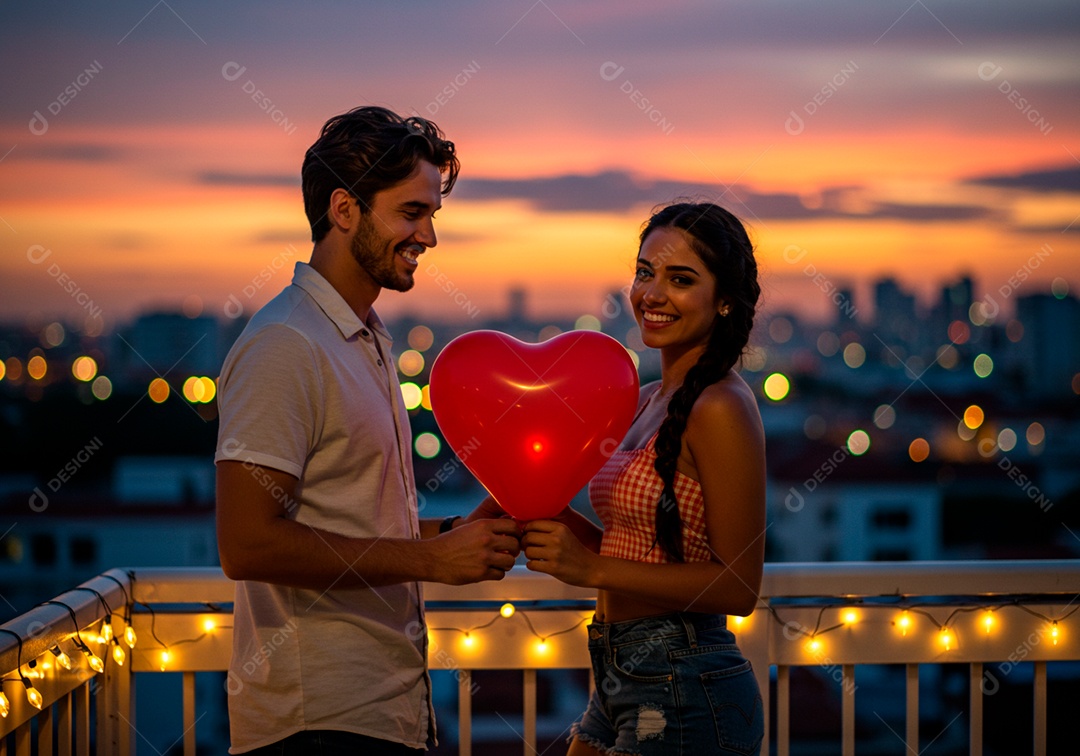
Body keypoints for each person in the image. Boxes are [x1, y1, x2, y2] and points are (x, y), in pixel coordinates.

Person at [214, 106, 520, 755]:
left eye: (432, 215)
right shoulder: (286, 343)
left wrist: (454, 535)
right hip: (316, 719)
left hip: (382, 709)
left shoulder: (366, 338)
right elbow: (247, 545)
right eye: (412, 213)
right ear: (345, 209)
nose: (429, 237)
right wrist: (429, 559)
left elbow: (352, 520)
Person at [522, 202, 767, 755]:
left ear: (724, 300)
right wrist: (538, 509)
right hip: (618, 673)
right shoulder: (650, 401)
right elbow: (632, 547)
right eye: (644, 272)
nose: (651, 294)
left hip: (684, 681)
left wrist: (589, 568)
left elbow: (738, 585)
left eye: (680, 280)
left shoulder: (721, 406)